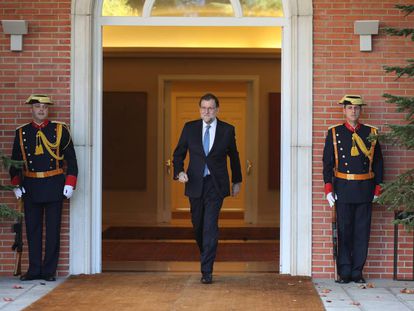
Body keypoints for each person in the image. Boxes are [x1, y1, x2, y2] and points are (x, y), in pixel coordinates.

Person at [172, 93, 242, 284]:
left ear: (217, 110)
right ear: (200, 109)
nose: (207, 111)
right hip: (194, 182)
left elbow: (234, 157)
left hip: (215, 184)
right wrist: (179, 172)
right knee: (198, 226)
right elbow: (178, 154)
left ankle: (206, 270)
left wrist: (237, 181)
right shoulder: (190, 128)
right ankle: (207, 253)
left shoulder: (227, 130)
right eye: (203, 108)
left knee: (210, 226)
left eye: (210, 108)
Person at [9, 94, 78, 282]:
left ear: (48, 110)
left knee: (53, 229)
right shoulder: (21, 132)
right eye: (38, 106)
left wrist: (70, 183)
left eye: (44, 107)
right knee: (33, 229)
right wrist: (16, 184)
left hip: (54, 183)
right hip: (30, 185)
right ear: (31, 109)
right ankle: (34, 269)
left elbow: (71, 159)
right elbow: (14, 161)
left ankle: (49, 271)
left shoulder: (60, 130)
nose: (41, 110)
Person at [323, 95, 383, 284]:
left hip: (365, 188)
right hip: (343, 188)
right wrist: (328, 188)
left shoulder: (371, 132)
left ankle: (357, 272)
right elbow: (327, 163)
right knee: (344, 231)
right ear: (344, 110)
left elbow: (379, 162)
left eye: (357, 108)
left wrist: (377, 188)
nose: (353, 111)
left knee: (361, 232)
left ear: (361, 111)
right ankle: (345, 272)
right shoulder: (334, 132)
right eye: (350, 108)